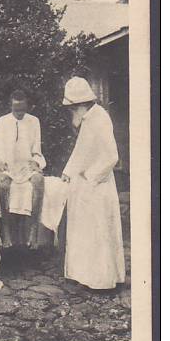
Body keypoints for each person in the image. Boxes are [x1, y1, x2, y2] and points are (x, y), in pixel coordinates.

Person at [61, 77, 125, 290]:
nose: (70, 113)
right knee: (82, 231)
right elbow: (81, 151)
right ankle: (82, 275)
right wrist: (68, 172)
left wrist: (90, 177)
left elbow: (111, 156)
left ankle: (101, 280)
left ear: (79, 104)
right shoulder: (88, 119)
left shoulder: (100, 119)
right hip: (83, 185)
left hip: (98, 186)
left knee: (97, 233)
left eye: (71, 108)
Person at [0, 90, 51, 249]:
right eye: (16, 109)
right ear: (10, 106)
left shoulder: (34, 121)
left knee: (38, 181)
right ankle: (6, 233)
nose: (19, 113)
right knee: (2, 184)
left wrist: (36, 163)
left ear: (27, 106)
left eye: (22, 109)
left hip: (27, 166)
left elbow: (36, 150)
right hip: (8, 167)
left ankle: (33, 232)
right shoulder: (2, 122)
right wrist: (1, 162)